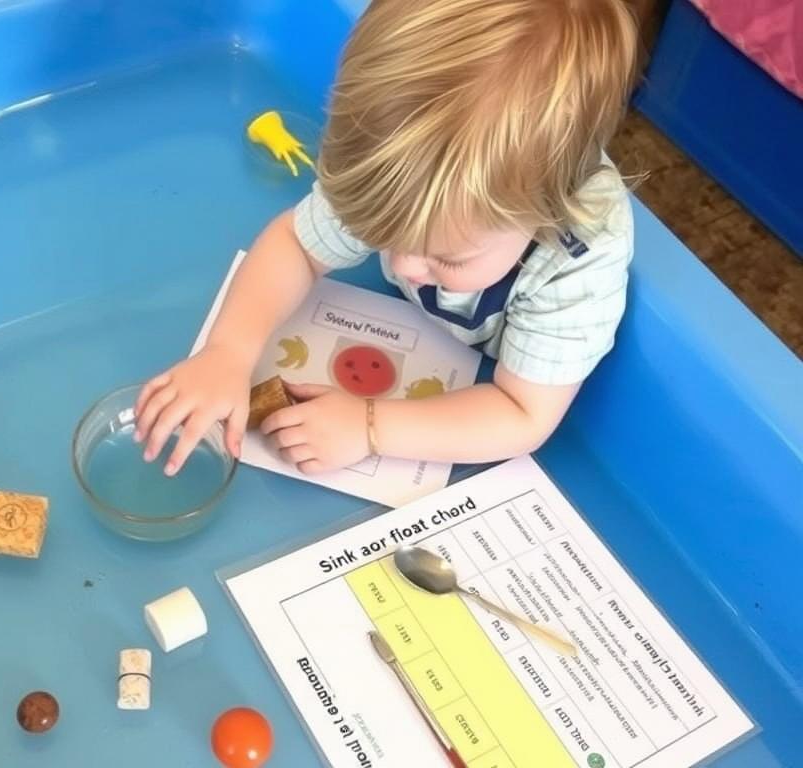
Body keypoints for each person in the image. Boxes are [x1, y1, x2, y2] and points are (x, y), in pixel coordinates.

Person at [134, 0, 640, 477]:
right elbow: (294, 242)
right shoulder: (397, 166)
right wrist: (228, 351)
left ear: (543, 209)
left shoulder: (580, 256)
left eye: (448, 258)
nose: (403, 265)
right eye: (385, 234)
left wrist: (371, 426)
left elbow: (522, 413)